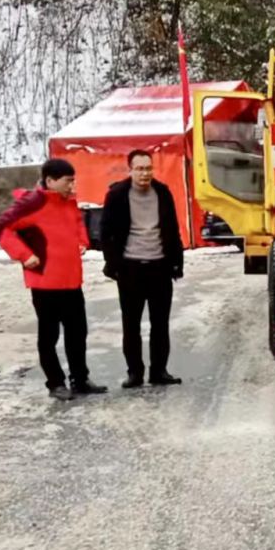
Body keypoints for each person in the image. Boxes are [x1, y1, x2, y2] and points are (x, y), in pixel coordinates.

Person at [0, 158, 108, 401]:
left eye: (73, 181)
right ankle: (55, 383)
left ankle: (80, 379)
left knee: (78, 333)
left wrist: (82, 241)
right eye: (68, 181)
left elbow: (77, 225)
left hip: (71, 280)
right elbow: (2, 228)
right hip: (45, 283)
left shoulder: (68, 203)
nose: (72, 186)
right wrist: (25, 255)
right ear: (50, 181)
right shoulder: (33, 203)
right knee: (49, 336)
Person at [100, 149, 184, 388]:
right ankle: (134, 373)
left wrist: (176, 263)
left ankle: (159, 371)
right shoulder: (117, 195)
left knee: (160, 324)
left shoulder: (163, 192)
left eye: (148, 168)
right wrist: (114, 265)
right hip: (130, 269)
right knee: (131, 325)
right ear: (130, 170)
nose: (144, 173)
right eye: (139, 169)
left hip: (160, 267)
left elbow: (172, 229)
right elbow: (106, 233)